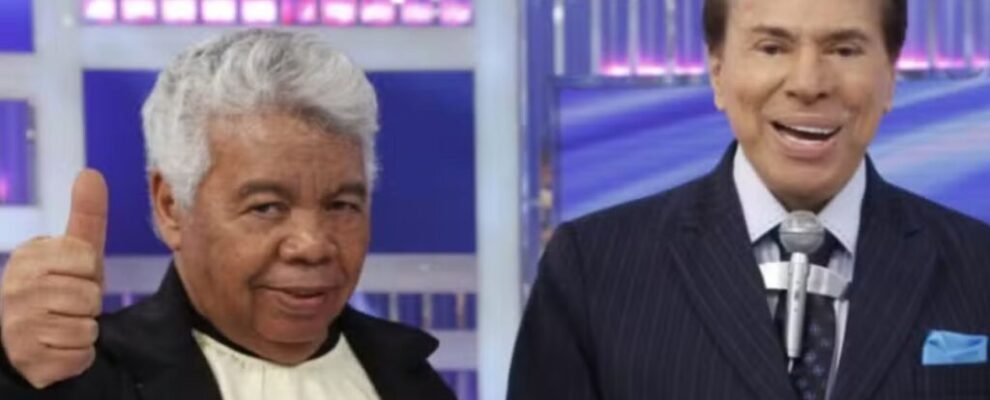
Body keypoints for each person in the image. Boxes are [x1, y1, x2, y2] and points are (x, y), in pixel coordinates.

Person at [509, 0, 990, 399]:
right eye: (772, 48)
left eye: (844, 49)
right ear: (717, 70)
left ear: (890, 74)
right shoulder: (593, 268)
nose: (808, 83)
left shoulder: (979, 265)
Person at [0, 29, 455, 399]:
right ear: (171, 206)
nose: (313, 245)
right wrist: (12, 371)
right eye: (268, 207)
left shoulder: (411, 377)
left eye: (341, 206)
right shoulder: (86, 380)